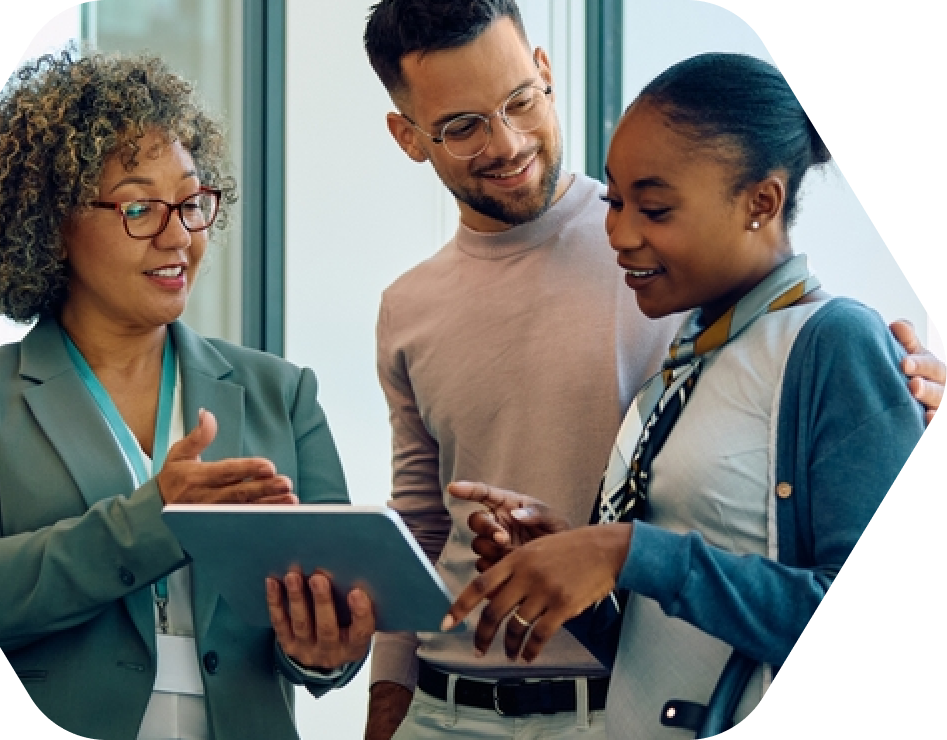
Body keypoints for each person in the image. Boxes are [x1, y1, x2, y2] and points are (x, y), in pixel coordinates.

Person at [362, 2, 943, 739]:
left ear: (545, 72)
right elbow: (418, 520)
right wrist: (390, 700)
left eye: (518, 101)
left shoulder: (698, 288)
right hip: (454, 709)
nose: (505, 142)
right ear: (410, 137)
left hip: (615, 710)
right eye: (463, 126)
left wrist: (906, 386)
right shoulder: (411, 307)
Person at [0, 51, 373, 740]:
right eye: (141, 206)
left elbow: (334, 595)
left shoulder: (282, 392)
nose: (178, 235)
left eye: (191, 201)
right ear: (51, 222)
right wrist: (156, 517)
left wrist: (325, 654)